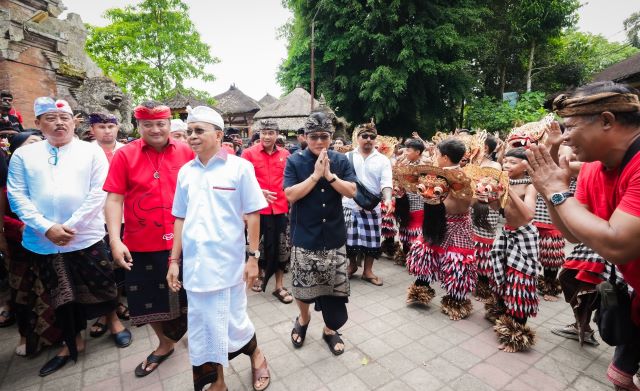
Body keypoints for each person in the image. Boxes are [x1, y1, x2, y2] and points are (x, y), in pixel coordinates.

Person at [525, 81, 640, 390]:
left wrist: (559, 192)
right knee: (620, 377)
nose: (564, 138)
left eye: (570, 127)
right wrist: (549, 192)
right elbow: (573, 233)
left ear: (606, 121)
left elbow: (618, 245)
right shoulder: (592, 168)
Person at [7, 97, 128, 376]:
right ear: (38, 123)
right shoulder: (24, 156)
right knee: (60, 294)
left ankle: (114, 323)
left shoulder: (91, 152)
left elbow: (99, 191)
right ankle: (72, 341)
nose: (59, 123)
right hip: (43, 240)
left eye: (65, 118)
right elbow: (17, 195)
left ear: (75, 122)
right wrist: (45, 226)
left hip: (85, 235)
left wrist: (70, 225)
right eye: (50, 118)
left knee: (102, 283)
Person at [168, 106, 270, 391]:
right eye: (189, 131)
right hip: (196, 268)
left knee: (232, 323)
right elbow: (179, 218)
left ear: (219, 134)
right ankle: (218, 382)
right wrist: (174, 260)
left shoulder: (239, 167)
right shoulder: (186, 172)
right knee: (203, 328)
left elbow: (253, 215)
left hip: (228, 266)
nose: (192, 136)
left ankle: (256, 355)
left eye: (199, 131)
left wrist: (253, 259)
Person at [103, 101, 193, 377]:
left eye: (161, 123)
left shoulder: (187, 151)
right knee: (148, 302)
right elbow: (114, 198)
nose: (155, 129)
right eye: (148, 124)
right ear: (137, 125)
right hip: (142, 242)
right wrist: (116, 240)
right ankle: (165, 344)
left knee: (195, 297)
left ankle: (199, 340)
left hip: (186, 240)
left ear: (169, 123)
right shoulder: (124, 156)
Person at [285, 111, 357, 356]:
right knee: (303, 287)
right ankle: (303, 320)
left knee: (334, 287)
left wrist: (330, 176)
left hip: (334, 235)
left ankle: (329, 329)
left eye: (324, 136)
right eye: (313, 136)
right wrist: (316, 176)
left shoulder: (341, 160)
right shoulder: (295, 161)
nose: (319, 142)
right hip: (305, 235)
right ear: (305, 137)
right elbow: (290, 195)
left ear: (330, 136)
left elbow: (351, 191)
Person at [4, 132, 62, 357]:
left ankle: (55, 335)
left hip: (53, 240)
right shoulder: (9, 177)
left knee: (50, 290)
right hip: (20, 245)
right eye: (31, 144)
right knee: (24, 293)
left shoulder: (51, 173)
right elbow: (5, 213)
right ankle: (28, 338)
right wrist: (21, 226)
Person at [405, 138, 476, 321]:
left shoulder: (461, 177)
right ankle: (421, 289)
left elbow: (468, 202)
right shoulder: (436, 174)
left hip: (457, 224)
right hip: (436, 221)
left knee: (457, 262)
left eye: (437, 154)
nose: (435, 157)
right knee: (426, 254)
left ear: (444, 157)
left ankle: (456, 302)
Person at [485, 147, 539, 353]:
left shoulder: (530, 185)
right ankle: (503, 319)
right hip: (507, 234)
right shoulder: (503, 182)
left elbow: (528, 215)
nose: (507, 165)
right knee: (501, 277)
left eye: (513, 163)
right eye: (505, 161)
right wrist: (490, 197)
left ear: (526, 166)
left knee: (520, 284)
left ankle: (516, 335)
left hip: (524, 237)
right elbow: (496, 209)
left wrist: (508, 190)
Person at [241, 120, 292, 302]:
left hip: (280, 209)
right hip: (257, 211)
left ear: (277, 134)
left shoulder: (286, 154)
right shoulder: (248, 154)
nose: (267, 136)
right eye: (263, 132)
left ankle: (279, 285)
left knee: (282, 248)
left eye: (270, 133)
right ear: (259, 133)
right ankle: (260, 276)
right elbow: (242, 181)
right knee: (258, 246)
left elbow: (290, 180)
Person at [343, 121, 393, 286]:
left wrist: (387, 199)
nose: (368, 139)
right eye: (364, 136)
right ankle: (351, 266)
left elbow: (386, 183)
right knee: (350, 240)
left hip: (372, 207)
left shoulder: (382, 160)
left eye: (372, 137)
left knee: (372, 241)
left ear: (376, 139)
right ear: (358, 138)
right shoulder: (347, 157)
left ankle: (367, 271)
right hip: (349, 205)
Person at [393, 139, 426, 266]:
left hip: (418, 203)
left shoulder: (423, 167)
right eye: (405, 149)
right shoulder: (404, 163)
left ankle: (416, 260)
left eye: (408, 150)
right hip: (404, 202)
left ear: (418, 152)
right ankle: (406, 255)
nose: (405, 152)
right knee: (405, 229)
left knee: (415, 230)